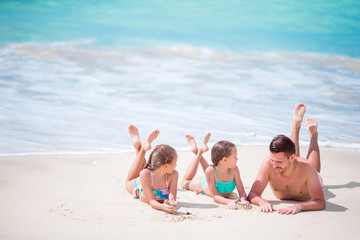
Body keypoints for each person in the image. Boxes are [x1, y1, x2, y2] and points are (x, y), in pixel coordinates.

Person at [248, 104, 326, 215]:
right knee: (289, 158)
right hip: (294, 163)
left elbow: (320, 202)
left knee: (314, 169)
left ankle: (313, 136)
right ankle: (296, 125)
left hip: (306, 178)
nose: (274, 165)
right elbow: (253, 193)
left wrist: (300, 206)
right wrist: (262, 202)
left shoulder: (307, 167)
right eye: (272, 160)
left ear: (292, 157)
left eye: (279, 162)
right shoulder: (268, 164)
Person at [181, 133, 251, 210]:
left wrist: (244, 200)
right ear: (224, 160)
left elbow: (241, 191)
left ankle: (198, 151)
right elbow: (215, 196)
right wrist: (228, 201)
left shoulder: (234, 170)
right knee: (184, 183)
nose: (237, 159)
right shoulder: (210, 171)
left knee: (210, 170)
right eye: (235, 157)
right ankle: (198, 152)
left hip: (213, 174)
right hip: (204, 185)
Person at [125, 125, 179, 213]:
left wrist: (172, 202)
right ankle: (141, 149)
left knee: (147, 170)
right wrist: (162, 207)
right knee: (129, 181)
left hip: (151, 176)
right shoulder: (145, 174)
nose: (176, 165)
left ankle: (141, 146)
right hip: (138, 184)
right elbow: (152, 201)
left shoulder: (174, 175)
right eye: (174, 163)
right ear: (165, 166)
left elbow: (172, 195)